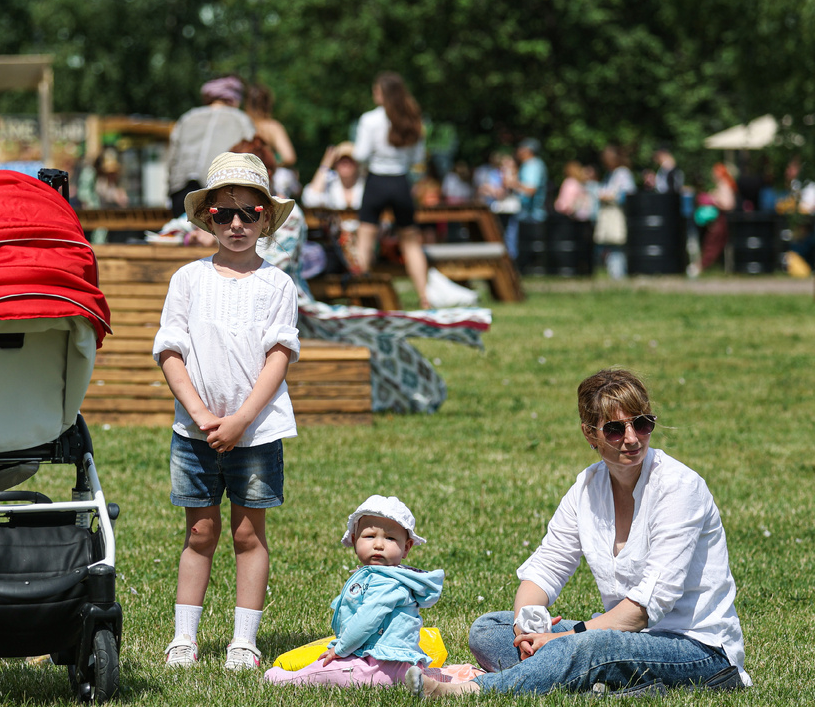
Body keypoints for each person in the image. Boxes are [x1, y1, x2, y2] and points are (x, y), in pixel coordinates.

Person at [408, 368, 750, 697]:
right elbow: (546, 567)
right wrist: (525, 627)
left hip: (698, 649)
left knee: (590, 645)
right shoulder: (587, 487)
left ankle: (467, 691)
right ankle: (582, 679)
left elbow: (645, 609)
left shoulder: (679, 487)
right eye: (615, 430)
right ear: (590, 434)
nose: (632, 438)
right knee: (489, 629)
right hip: (621, 637)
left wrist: (564, 639)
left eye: (642, 424)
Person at [154, 151, 300, 670]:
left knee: (247, 532)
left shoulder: (277, 285)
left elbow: (278, 356)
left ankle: (244, 640)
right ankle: (184, 638)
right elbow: (170, 350)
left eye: (249, 214)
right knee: (199, 531)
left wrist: (240, 420)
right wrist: (198, 412)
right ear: (207, 218)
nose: (237, 224)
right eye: (224, 214)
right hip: (194, 432)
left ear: (265, 220)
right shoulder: (188, 280)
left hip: (255, 433)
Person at [264, 495, 447, 688]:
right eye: (370, 536)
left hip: (383, 663)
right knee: (333, 665)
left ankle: (289, 680)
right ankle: (421, 677)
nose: (378, 544)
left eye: (390, 538)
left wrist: (340, 649)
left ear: (406, 547)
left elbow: (366, 619)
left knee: (330, 672)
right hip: (386, 660)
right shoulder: (374, 575)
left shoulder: (388, 582)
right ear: (354, 539)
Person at [352, 71, 431, 308]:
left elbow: (360, 154)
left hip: (376, 181)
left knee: (365, 239)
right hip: (401, 182)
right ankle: (424, 298)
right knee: (411, 242)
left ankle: (362, 296)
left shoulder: (369, 120)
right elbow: (417, 157)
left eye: (376, 90)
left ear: (384, 93)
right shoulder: (413, 119)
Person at [166, 75, 256, 216]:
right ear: (234, 98)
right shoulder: (240, 120)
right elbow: (252, 155)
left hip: (181, 191)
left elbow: (172, 158)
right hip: (219, 191)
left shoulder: (187, 118)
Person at [245, 83, 299, 198]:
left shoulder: (239, 124)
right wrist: (271, 164)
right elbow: (289, 157)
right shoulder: (272, 127)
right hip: (268, 179)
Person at [502, 138, 547, 260]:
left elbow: (531, 190)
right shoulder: (529, 165)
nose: (518, 151)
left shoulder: (533, 165)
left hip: (531, 215)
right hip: (526, 214)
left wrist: (513, 183)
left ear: (527, 150)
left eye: (520, 149)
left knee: (525, 246)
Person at [594, 146, 635, 279]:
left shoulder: (623, 173)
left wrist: (610, 196)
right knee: (610, 245)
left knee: (618, 244)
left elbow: (628, 194)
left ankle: (619, 275)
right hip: (608, 214)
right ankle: (615, 274)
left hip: (617, 214)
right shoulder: (609, 174)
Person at [302, 141, 365, 211]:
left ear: (357, 164)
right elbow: (310, 199)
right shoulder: (330, 180)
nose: (346, 163)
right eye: (342, 160)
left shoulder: (365, 182)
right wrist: (326, 164)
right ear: (335, 163)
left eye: (350, 160)